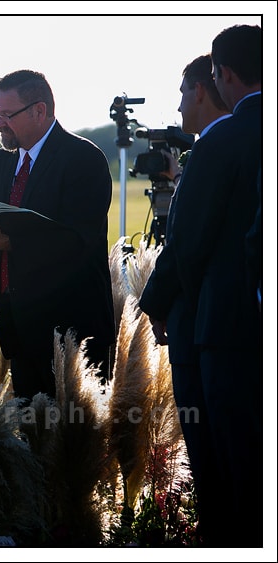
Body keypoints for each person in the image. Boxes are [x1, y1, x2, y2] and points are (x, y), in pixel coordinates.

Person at [168, 24, 261, 547]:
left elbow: (188, 242)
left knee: (229, 470)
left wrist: (162, 304)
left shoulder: (222, 139)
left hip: (222, 330)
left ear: (222, 75)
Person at [0, 70, 115, 401]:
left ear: (40, 110)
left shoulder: (83, 159)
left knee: (76, 445)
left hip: (72, 334)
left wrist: (5, 241)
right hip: (17, 332)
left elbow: (76, 243)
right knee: (31, 443)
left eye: (7, 115)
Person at [138, 52, 231, 545]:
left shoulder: (215, 148)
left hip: (203, 327)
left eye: (181, 93)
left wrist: (151, 302)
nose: (177, 108)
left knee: (214, 457)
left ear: (202, 89)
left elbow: (185, 246)